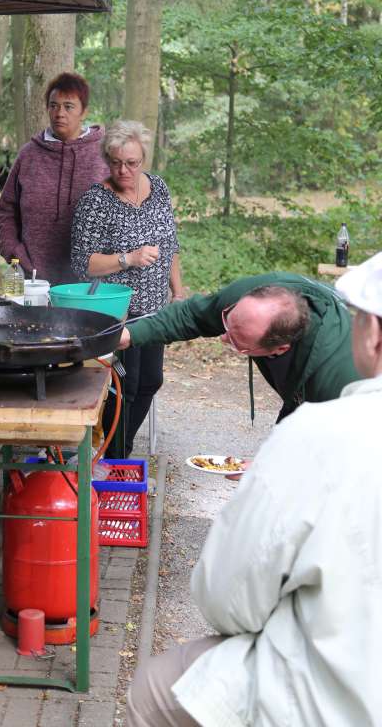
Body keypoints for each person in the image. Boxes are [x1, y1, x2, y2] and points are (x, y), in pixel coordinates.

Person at [125, 251, 382, 727]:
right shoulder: (255, 297)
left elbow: (225, 601)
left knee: (156, 688)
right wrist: (125, 336)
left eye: (360, 317)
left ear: (374, 335)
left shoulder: (322, 420)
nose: (225, 338)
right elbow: (190, 315)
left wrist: (279, 477)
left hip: (333, 687)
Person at [71, 121, 183, 456]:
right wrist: (127, 258)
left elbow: (171, 244)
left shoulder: (158, 188)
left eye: (132, 163)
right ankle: (113, 459)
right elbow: (82, 262)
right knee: (125, 386)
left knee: (151, 381)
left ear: (144, 159)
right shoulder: (95, 201)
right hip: (117, 311)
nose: (124, 170)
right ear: (107, 159)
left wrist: (178, 293)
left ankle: (114, 453)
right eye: (116, 162)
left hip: (155, 309)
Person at [118, 272, 359, 421]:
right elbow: (192, 316)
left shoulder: (338, 378)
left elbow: (334, 447)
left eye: (237, 342)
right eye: (227, 326)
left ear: (279, 349)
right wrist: (130, 334)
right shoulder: (244, 298)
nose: (223, 338)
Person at [0, 71, 109, 286]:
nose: (59, 113)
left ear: (84, 111)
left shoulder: (103, 154)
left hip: (90, 283)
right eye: (54, 105)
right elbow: (6, 209)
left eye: (69, 106)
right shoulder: (29, 154)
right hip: (33, 278)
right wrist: (13, 253)